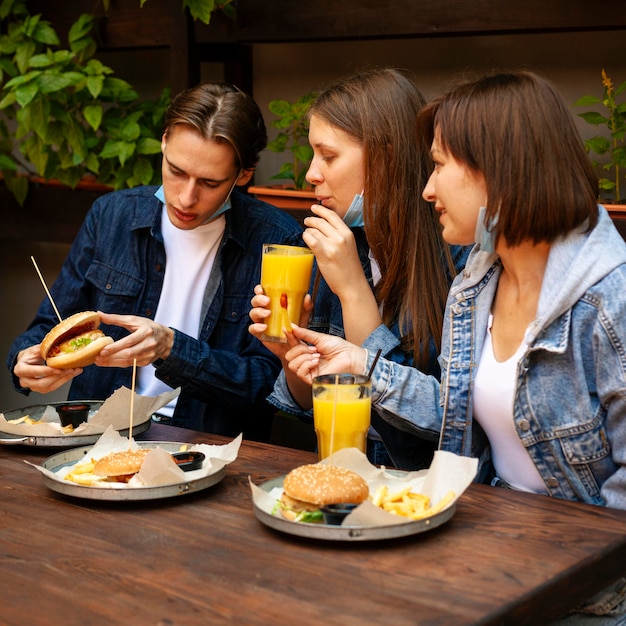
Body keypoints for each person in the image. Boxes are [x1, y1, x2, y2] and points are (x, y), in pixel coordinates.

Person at [280, 70, 626, 622]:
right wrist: (363, 365)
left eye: (439, 165)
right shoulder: (479, 283)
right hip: (485, 547)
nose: (427, 187)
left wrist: (575, 589)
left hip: (586, 592)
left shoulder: (610, 301)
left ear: (497, 170)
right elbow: (458, 415)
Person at [8, 82, 303, 441]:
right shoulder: (111, 215)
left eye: (209, 182)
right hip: (98, 437)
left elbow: (268, 389)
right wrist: (25, 361)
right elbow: (49, 325)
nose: (186, 197)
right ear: (163, 143)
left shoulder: (278, 242)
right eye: (176, 171)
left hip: (206, 447)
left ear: (243, 175)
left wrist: (171, 349)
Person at [249, 67, 469, 468]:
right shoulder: (333, 246)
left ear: (385, 159)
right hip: (343, 478)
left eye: (329, 155)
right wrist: (289, 352)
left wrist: (352, 289)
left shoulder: (455, 259)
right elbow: (309, 405)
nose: (311, 173)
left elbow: (430, 433)